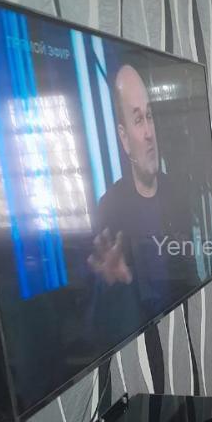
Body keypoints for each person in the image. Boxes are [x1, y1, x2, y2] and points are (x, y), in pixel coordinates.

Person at [88, 64, 197, 322]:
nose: (149, 133)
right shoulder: (110, 208)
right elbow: (98, 312)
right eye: (138, 120)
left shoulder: (178, 193)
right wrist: (112, 284)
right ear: (124, 138)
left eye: (149, 116)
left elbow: (190, 274)